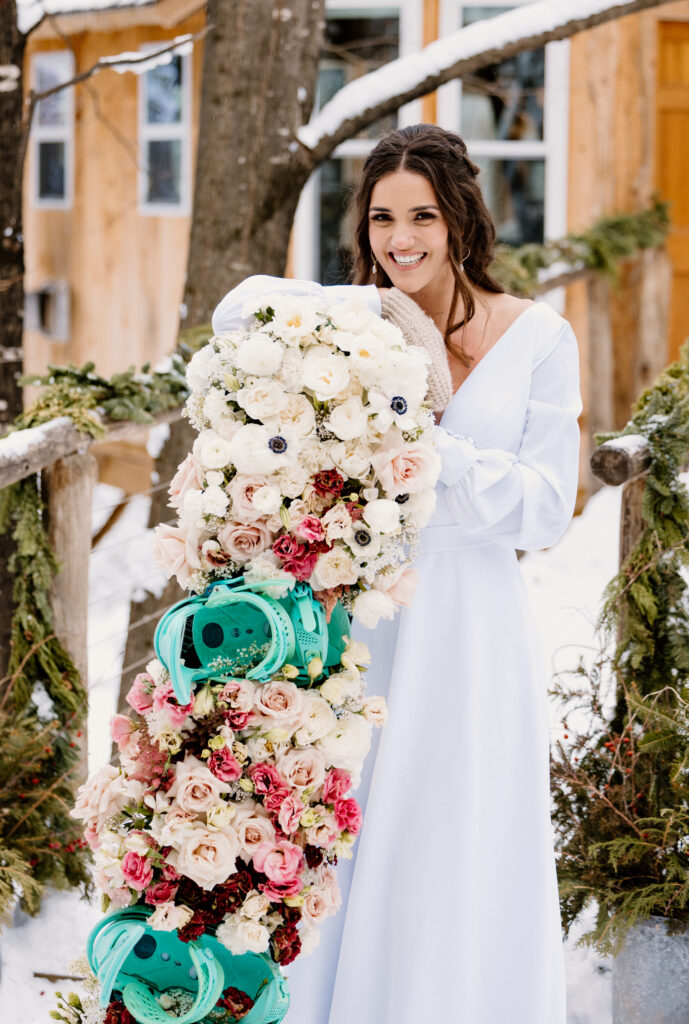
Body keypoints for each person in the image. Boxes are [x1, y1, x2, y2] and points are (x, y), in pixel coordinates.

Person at [211, 124, 581, 1024]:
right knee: (359, 821)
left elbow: (542, 506)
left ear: (460, 219)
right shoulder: (354, 325)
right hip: (368, 613)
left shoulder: (537, 334)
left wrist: (429, 447)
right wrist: (375, 317)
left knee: (458, 824)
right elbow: (237, 309)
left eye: (421, 214)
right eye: (381, 217)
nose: (400, 237)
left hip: (473, 619)